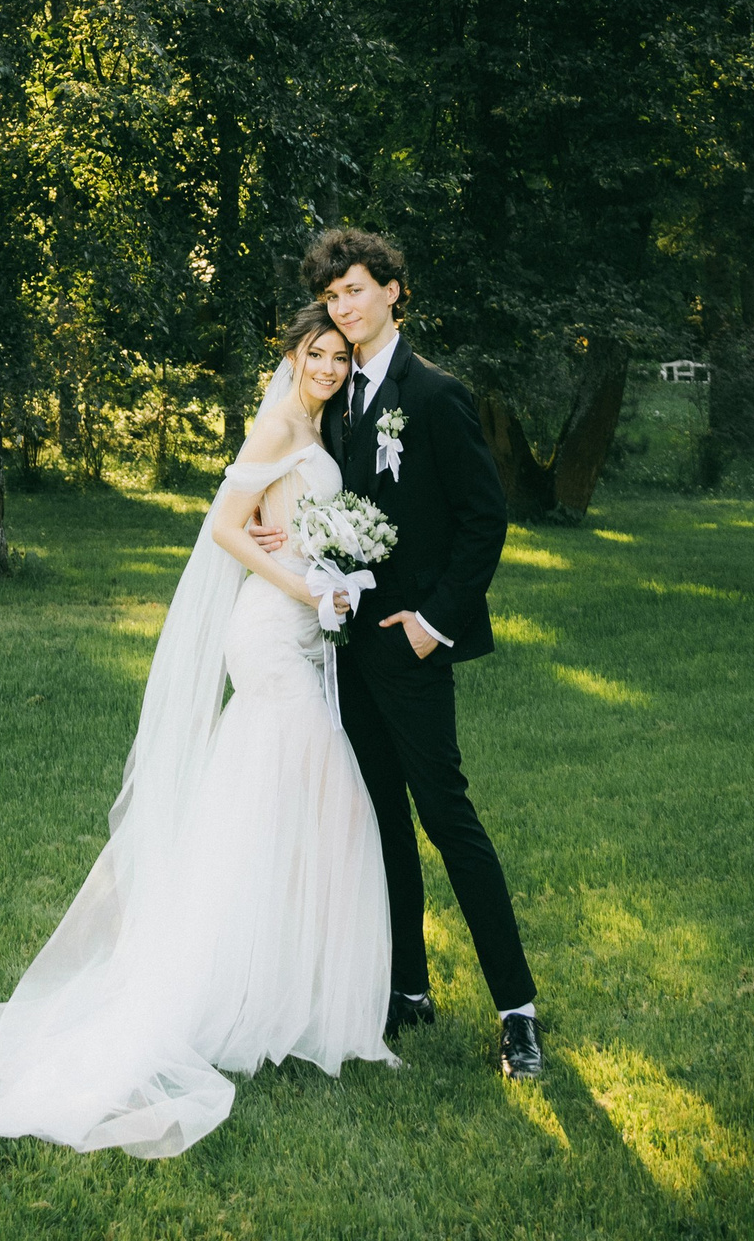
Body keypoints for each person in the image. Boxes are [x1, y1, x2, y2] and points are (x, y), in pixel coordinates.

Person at [0, 310, 394, 1159]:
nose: (330, 367)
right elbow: (225, 527)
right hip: (272, 632)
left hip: (304, 626)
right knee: (325, 799)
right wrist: (299, 583)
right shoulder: (278, 422)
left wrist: (324, 568)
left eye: (340, 356)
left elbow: (284, 517)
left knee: (277, 805)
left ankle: (281, 988)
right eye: (318, 354)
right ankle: (242, 993)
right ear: (293, 355)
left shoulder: (320, 425)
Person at [253, 226, 542, 1079]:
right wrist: (278, 532)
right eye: (331, 296)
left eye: (355, 290)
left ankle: (518, 1013)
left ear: (392, 290)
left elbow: (484, 520)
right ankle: (408, 988)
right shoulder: (332, 394)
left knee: (446, 818)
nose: (343, 307)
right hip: (344, 648)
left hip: (412, 648)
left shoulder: (437, 394)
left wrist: (433, 623)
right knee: (379, 821)